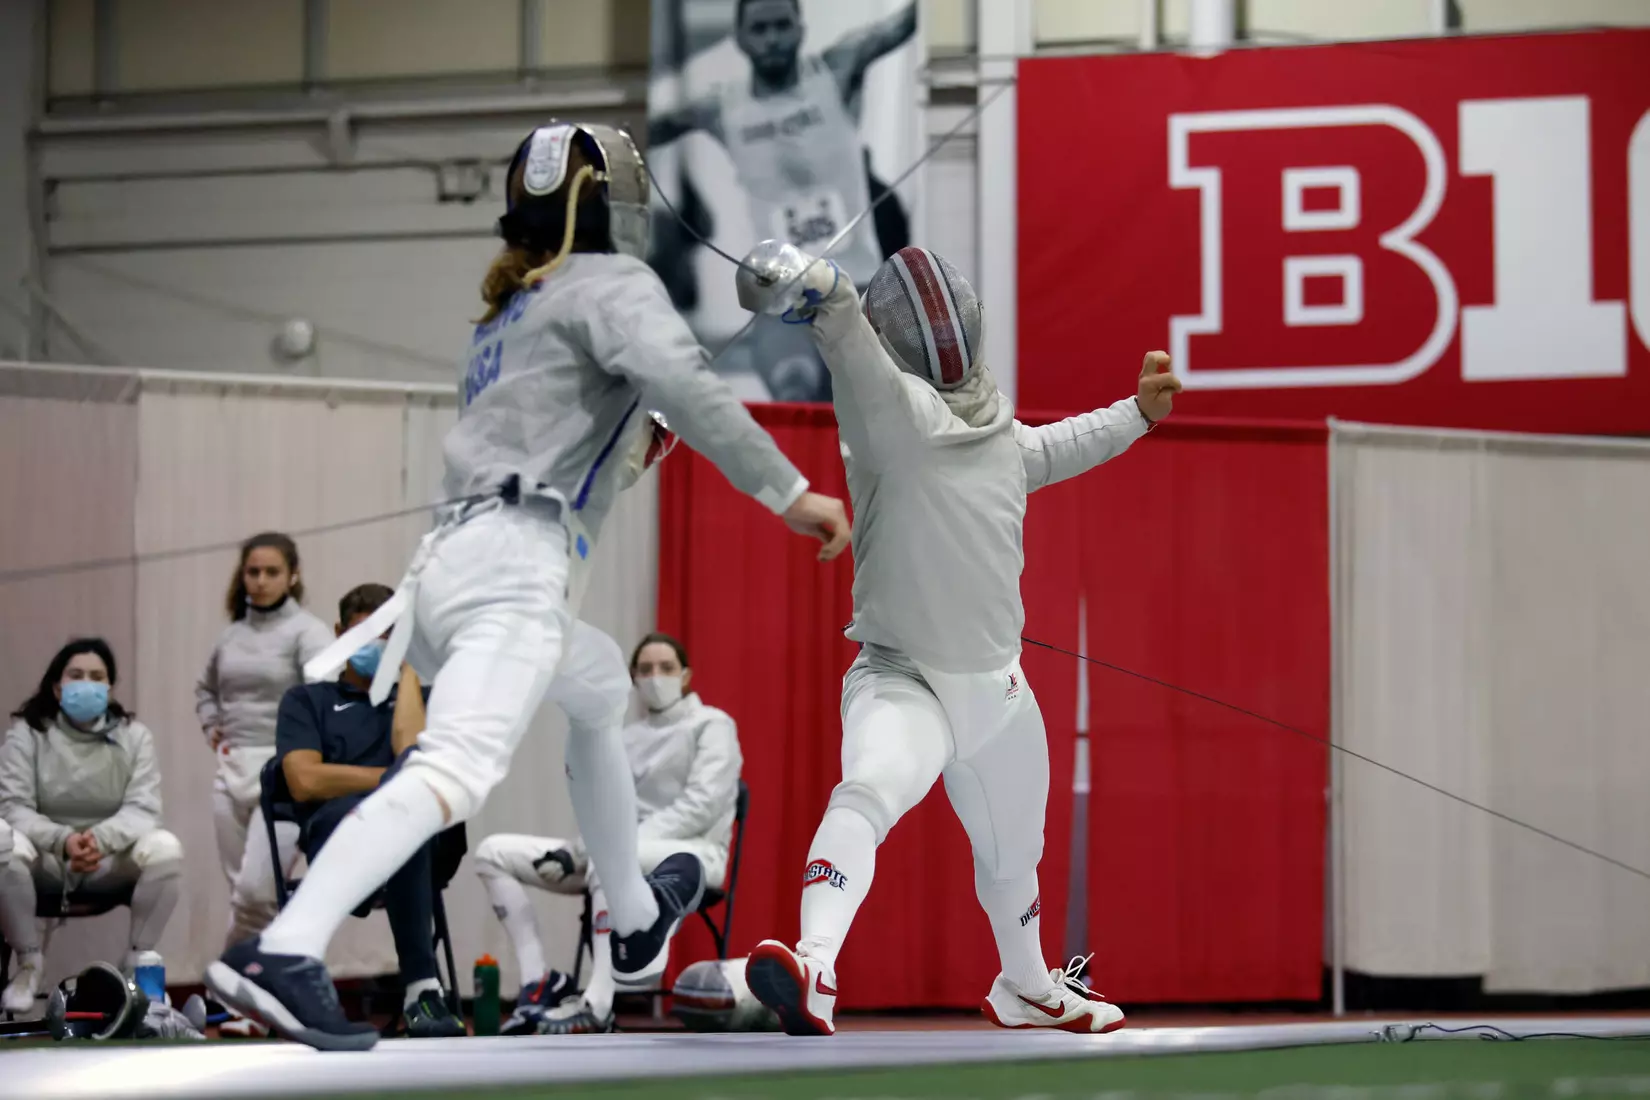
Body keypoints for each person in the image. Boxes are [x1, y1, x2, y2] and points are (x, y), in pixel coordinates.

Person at [206, 121, 849, 1051]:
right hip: (512, 570)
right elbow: (688, 384)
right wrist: (790, 491)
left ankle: (633, 918)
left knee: (597, 688)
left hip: (447, 569)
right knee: (456, 770)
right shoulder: (611, 283)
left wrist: (627, 452)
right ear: (610, 206)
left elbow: (554, 442)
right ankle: (287, 950)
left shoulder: (511, 310)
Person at [733, 240, 1184, 1035]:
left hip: (999, 696)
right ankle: (814, 964)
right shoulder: (891, 419)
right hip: (903, 680)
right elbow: (849, 337)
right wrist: (819, 286)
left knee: (1015, 857)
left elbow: (1064, 445)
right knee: (870, 788)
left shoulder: (1002, 436)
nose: (941, 338)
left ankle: (1028, 987)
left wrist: (1137, 413)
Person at [649, 0, 918, 401]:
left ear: (800, 30)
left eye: (781, 25)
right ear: (740, 39)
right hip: (784, 297)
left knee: (866, 406)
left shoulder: (835, 70)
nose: (772, 39)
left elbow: (900, 26)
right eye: (759, 29)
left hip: (858, 289)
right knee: (795, 393)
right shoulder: (721, 107)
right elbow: (656, 128)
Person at [476, 631, 741, 1035]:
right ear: (632, 678)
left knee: (609, 859)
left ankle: (598, 1004)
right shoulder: (625, 737)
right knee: (492, 853)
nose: (656, 677)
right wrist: (579, 848)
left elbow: (700, 807)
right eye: (646, 669)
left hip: (693, 856)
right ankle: (538, 982)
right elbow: (602, 813)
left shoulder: (712, 725)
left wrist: (593, 850)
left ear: (686, 675)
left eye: (666, 668)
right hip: (615, 854)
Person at [274, 583, 464, 1038]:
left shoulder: (426, 699)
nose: (376, 645)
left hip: (420, 845)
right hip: (337, 842)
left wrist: (409, 671)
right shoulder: (307, 701)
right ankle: (423, 987)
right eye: (364, 634)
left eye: (389, 636)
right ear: (340, 634)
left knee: (407, 815)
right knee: (402, 810)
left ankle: (421, 991)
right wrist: (389, 780)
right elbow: (304, 781)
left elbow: (412, 755)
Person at [0, 639, 184, 1015]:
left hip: (108, 863)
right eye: (77, 675)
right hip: (46, 863)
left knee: (165, 848)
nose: (87, 683)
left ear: (110, 688)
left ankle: (137, 967)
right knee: (3, 841)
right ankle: (29, 964)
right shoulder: (26, 735)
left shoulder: (135, 737)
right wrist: (63, 840)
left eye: (97, 677)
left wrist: (98, 840)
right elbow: (13, 806)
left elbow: (144, 809)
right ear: (57, 687)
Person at [195, 532, 332, 1037]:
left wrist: (300, 755)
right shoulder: (230, 636)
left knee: (256, 894)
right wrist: (212, 726)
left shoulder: (308, 632)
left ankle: (229, 990)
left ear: (293, 575)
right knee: (244, 896)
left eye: (272, 571)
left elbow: (324, 700)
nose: (260, 580)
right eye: (253, 571)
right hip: (230, 774)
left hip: (283, 778)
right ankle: (259, 1007)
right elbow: (205, 689)